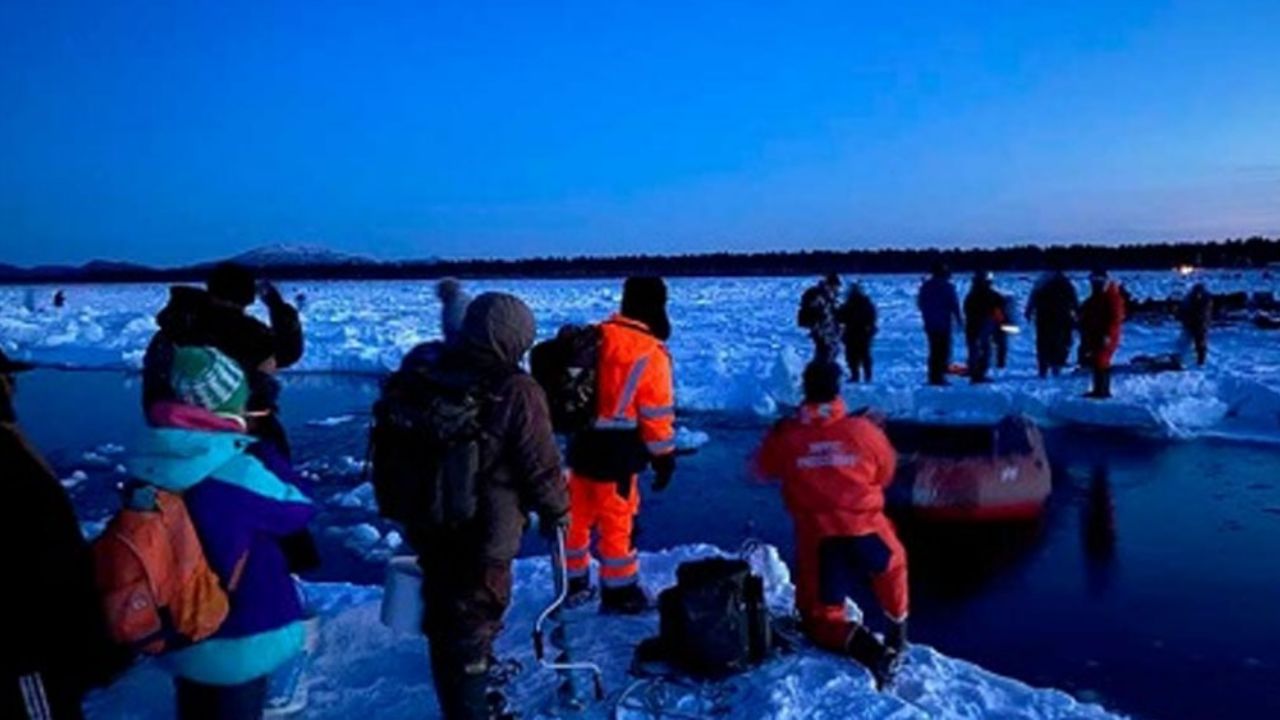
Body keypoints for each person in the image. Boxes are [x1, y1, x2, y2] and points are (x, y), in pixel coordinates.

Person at [396, 293, 569, 719]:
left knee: (445, 614)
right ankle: (471, 706)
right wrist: (557, 510)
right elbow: (540, 464)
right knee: (474, 618)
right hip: (484, 531)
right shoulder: (515, 389)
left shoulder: (432, 371)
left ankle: (468, 686)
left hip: (431, 523)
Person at [125, 346, 316, 720]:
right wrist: (266, 454)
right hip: (240, 635)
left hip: (180, 627)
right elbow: (299, 509)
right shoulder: (239, 471)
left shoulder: (149, 462)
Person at [756, 361, 908, 688]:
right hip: (869, 531)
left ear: (804, 390)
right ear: (838, 390)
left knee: (822, 619)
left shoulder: (789, 436)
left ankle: (873, 652)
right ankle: (898, 633)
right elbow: (886, 473)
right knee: (893, 569)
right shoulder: (864, 432)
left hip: (821, 541)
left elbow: (762, 469)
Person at [3, 350, 121, 719]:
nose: (13, 387)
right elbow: (44, 557)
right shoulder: (7, 459)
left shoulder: (13, 449)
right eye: (6, 378)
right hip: (29, 652)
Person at [566, 277, 677, 614]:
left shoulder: (595, 336)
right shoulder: (650, 352)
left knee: (576, 517)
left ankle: (574, 582)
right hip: (617, 455)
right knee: (617, 523)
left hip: (580, 446)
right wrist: (664, 459)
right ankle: (620, 591)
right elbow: (655, 416)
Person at [142, 262, 304, 457]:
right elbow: (288, 351)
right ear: (247, 297)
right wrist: (277, 306)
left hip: (176, 434)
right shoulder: (247, 333)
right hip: (242, 434)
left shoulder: (170, 331)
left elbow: (154, 389)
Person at [1079, 269, 1126, 399]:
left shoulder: (1112, 296)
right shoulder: (1097, 296)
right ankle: (1098, 390)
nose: (1094, 283)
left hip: (1107, 335)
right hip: (1096, 333)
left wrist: (1108, 335)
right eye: (1093, 280)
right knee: (1096, 361)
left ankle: (1103, 391)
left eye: (1097, 281)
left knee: (1101, 361)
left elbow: (1115, 318)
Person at [1025, 268, 1080, 378]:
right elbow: (1074, 300)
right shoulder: (1062, 282)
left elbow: (1033, 298)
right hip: (1055, 317)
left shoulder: (1044, 281)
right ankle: (1050, 367)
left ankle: (1048, 367)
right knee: (1056, 343)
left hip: (1051, 317)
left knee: (1049, 343)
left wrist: (1029, 311)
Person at [917, 263, 963, 386]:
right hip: (943, 324)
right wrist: (959, 320)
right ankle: (939, 377)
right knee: (942, 351)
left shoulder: (925, 287)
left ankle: (933, 376)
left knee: (934, 351)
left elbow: (920, 304)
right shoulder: (947, 287)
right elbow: (954, 305)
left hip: (930, 324)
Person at [963, 271, 1004, 384]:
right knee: (983, 349)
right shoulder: (990, 295)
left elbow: (966, 309)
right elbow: (999, 307)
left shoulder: (972, 295)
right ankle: (978, 373)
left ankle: (974, 370)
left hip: (974, 325)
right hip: (982, 325)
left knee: (975, 349)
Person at [798, 274, 843, 365]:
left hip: (829, 329)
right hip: (821, 328)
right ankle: (821, 371)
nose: (837, 289)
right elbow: (817, 311)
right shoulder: (820, 295)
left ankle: (826, 370)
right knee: (825, 350)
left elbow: (834, 312)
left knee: (831, 350)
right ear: (830, 284)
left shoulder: (830, 296)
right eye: (836, 286)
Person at [837, 282, 877, 383]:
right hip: (857, 334)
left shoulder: (860, 304)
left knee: (858, 356)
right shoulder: (863, 303)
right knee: (857, 356)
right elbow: (840, 317)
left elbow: (841, 317)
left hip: (859, 333)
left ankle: (862, 375)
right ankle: (860, 375)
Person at [1178, 283, 1213, 366]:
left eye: (1199, 293)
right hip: (1190, 324)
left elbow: (1203, 314)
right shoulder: (1189, 298)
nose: (1198, 295)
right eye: (1196, 292)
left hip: (1200, 325)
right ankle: (1182, 359)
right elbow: (1183, 310)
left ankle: (1200, 362)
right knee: (1184, 343)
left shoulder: (1206, 302)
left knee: (1200, 344)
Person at [436, 278, 472, 347]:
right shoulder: (465, 299)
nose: (438, 295)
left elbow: (452, 327)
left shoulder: (455, 305)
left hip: (459, 340)